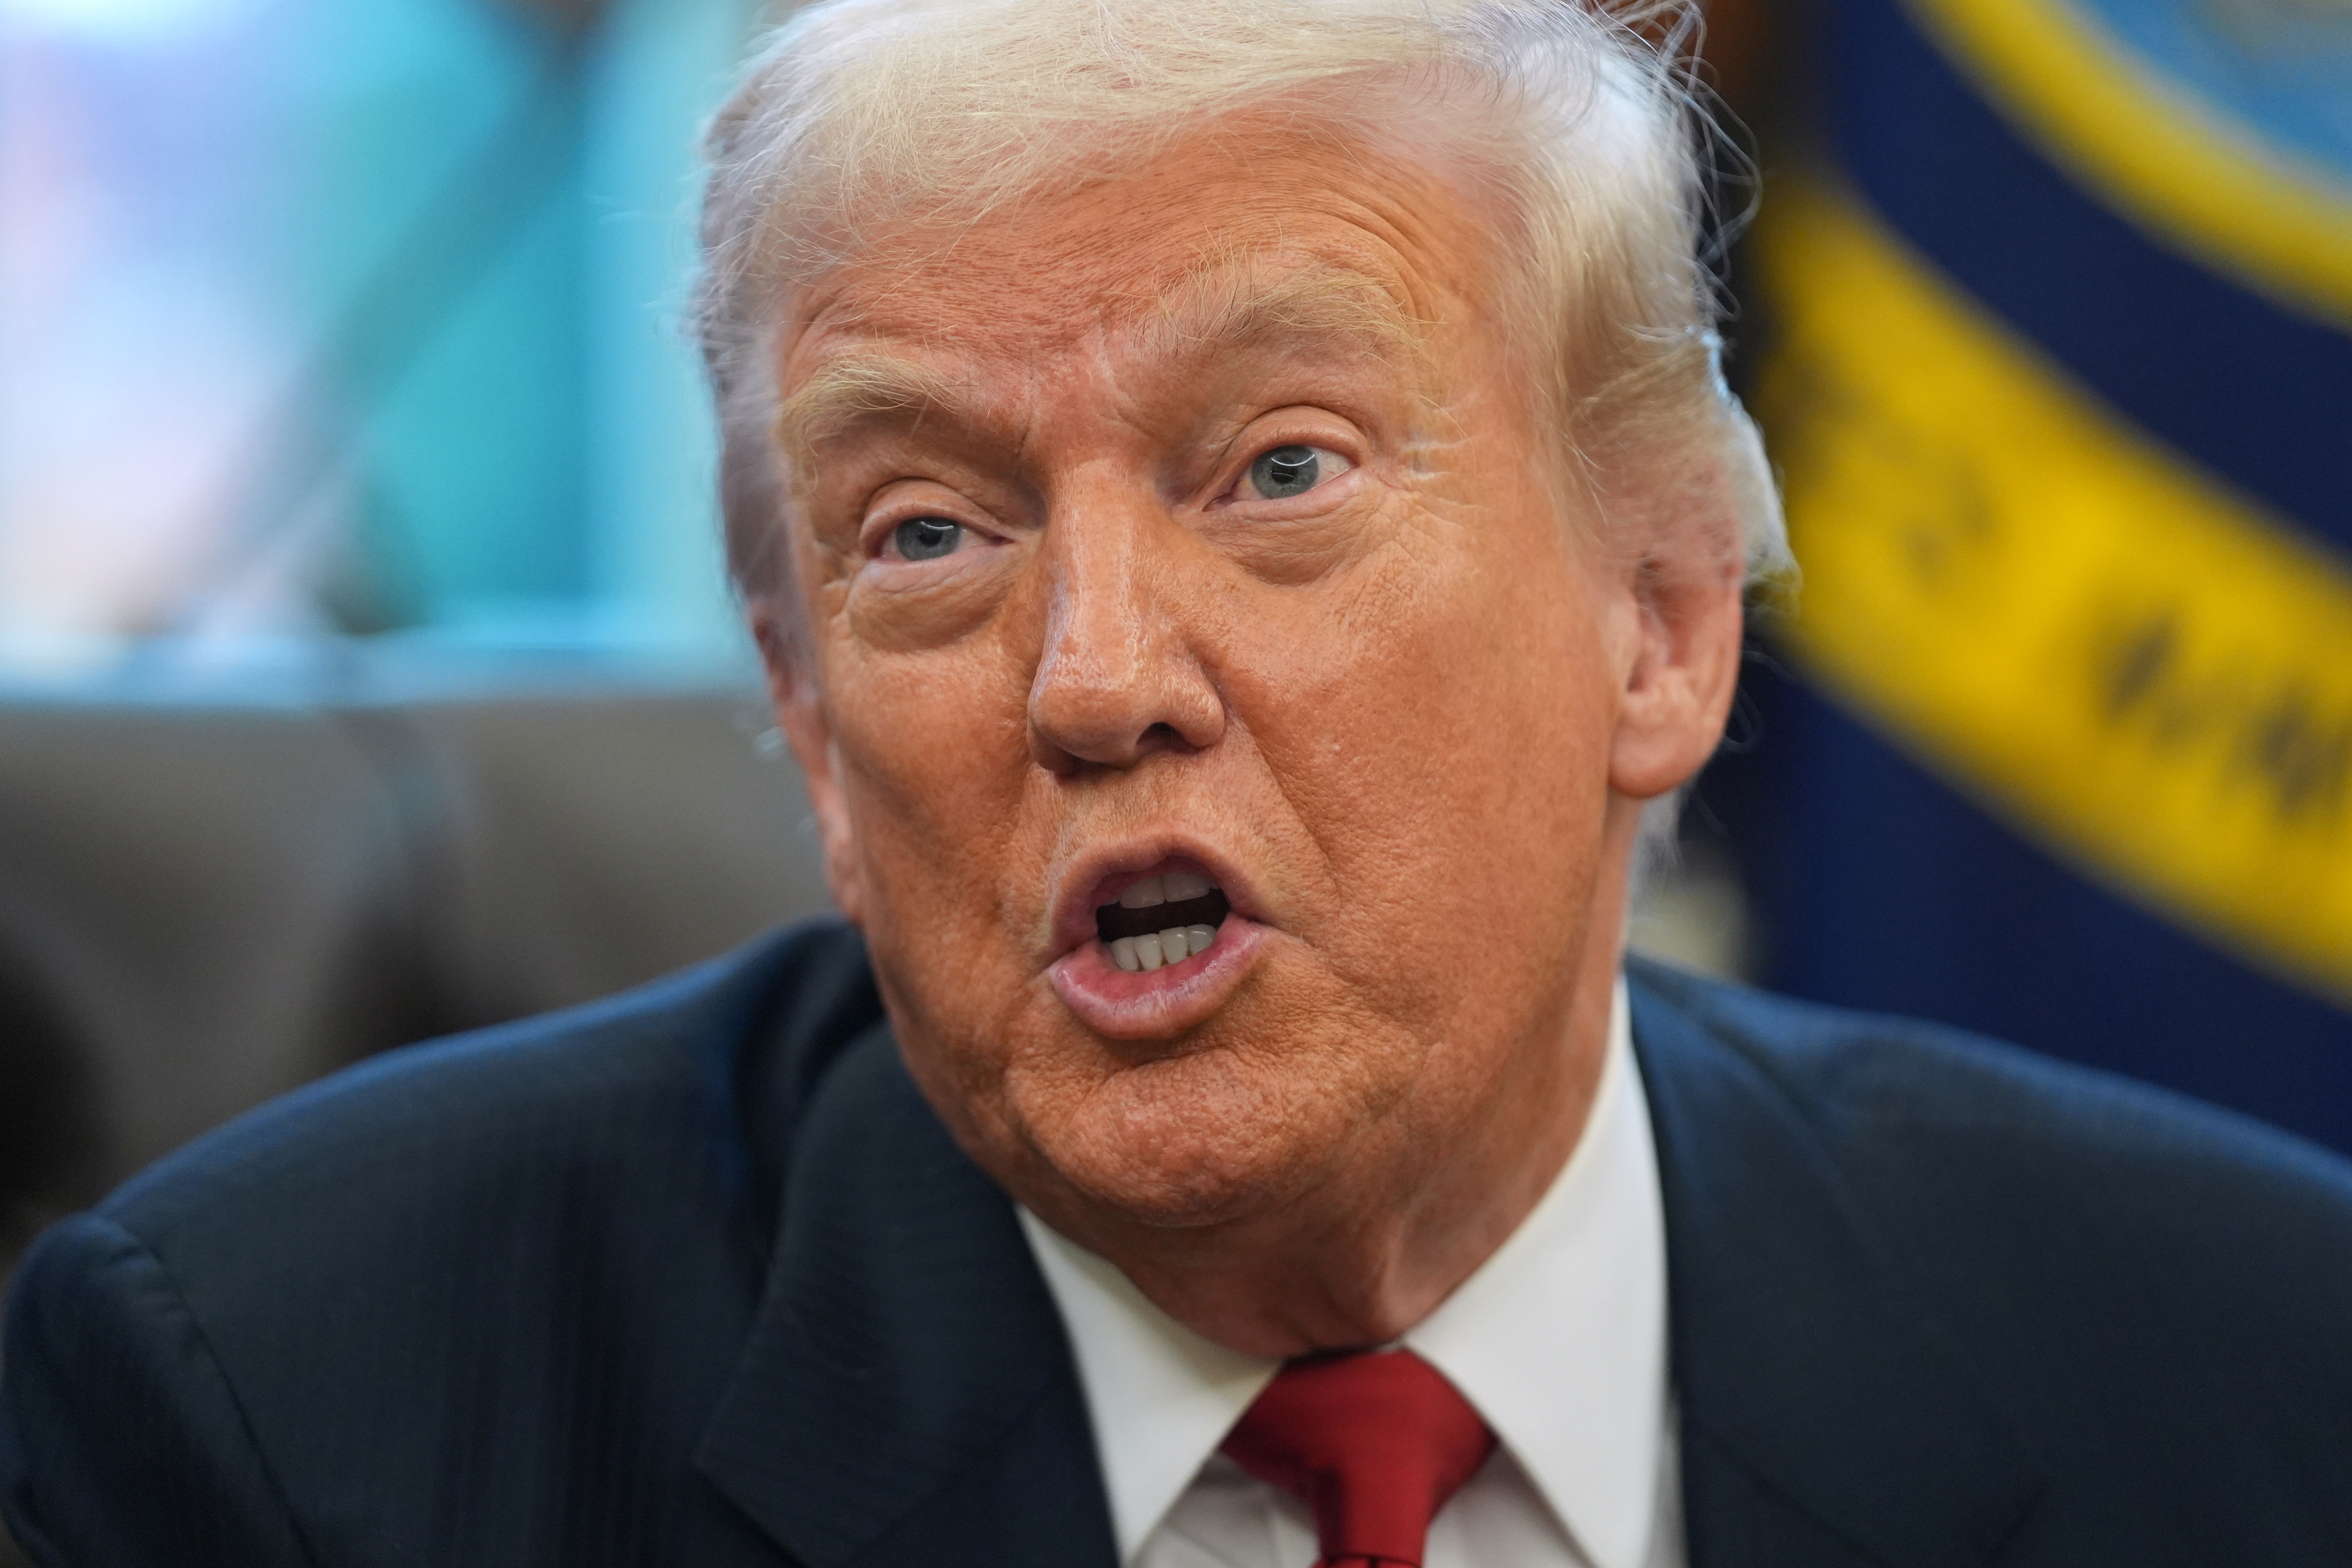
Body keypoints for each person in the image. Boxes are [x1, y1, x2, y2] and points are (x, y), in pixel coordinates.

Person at [5, 1, 2350, 1563]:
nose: (1095, 680)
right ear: (815, 734)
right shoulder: (269, 1430)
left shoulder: (2257, 1377)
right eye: (924, 533)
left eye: (1280, 467)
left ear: (1661, 621)